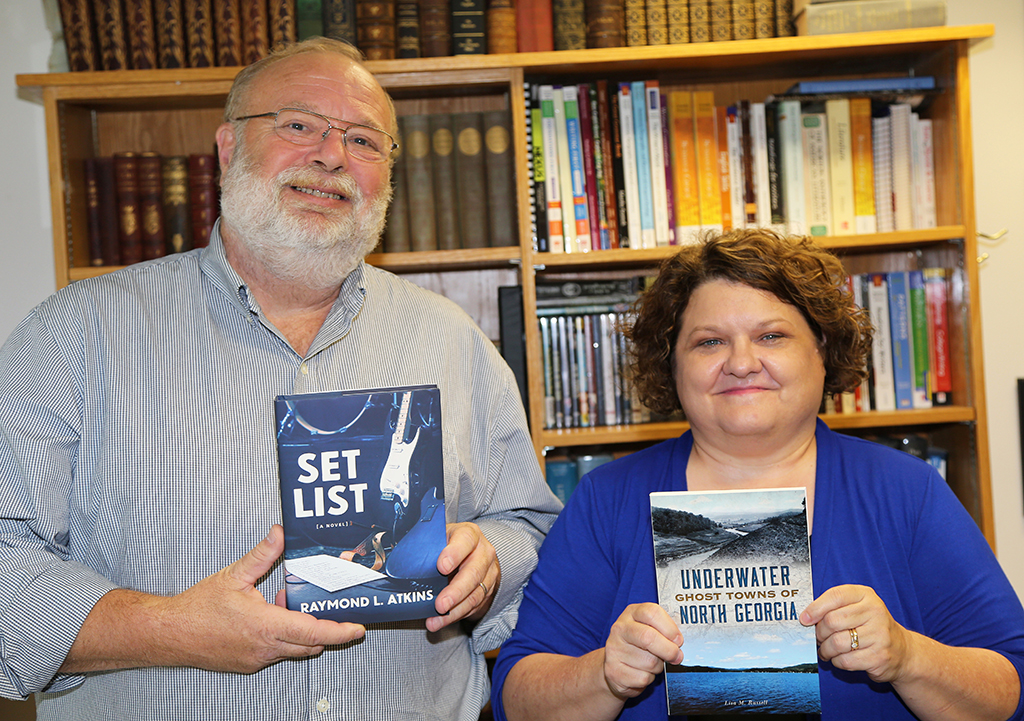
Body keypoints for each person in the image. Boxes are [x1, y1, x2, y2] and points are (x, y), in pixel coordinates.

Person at [0, 38, 560, 720]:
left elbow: (526, 522)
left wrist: (492, 558)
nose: (330, 155)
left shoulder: (452, 340)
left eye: (362, 139)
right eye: (298, 125)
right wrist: (174, 630)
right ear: (229, 147)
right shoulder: (74, 335)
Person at [491, 228, 1024, 721]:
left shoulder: (905, 490)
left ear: (822, 352)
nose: (741, 363)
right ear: (672, 366)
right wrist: (603, 673)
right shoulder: (608, 499)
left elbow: (1011, 688)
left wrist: (910, 657)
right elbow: (517, 697)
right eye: (708, 342)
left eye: (771, 336)